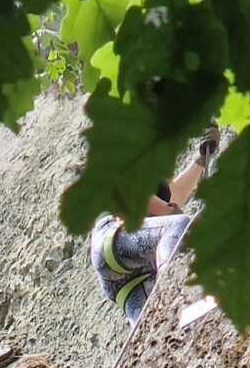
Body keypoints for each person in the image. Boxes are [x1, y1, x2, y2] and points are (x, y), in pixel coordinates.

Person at [90, 128, 220, 326]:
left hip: (129, 282)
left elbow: (175, 195)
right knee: (181, 227)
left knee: (154, 332)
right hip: (112, 241)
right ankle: (173, 287)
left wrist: (201, 158)